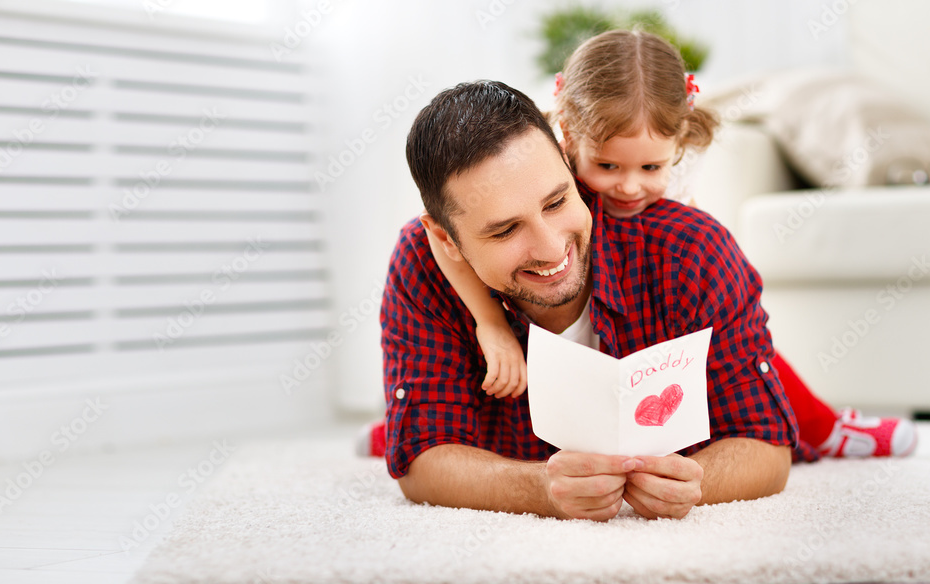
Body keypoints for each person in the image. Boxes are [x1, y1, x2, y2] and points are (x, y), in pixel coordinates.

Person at [362, 29, 917, 461]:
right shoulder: (530, 173)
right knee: (461, 386)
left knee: (743, 349)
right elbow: (432, 240)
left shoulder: (676, 229)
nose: (629, 188)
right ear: (570, 138)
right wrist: (487, 323)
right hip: (510, 347)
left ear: (679, 146)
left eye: (652, 167)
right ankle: (403, 422)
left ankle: (825, 426)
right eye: (606, 167)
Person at [380, 77, 795, 521]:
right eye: (505, 230)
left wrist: (698, 481)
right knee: (394, 430)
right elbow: (422, 461)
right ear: (447, 239)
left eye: (557, 202)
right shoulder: (422, 263)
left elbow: (768, 448)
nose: (551, 248)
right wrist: (540, 490)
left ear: (567, 160)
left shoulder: (691, 249)